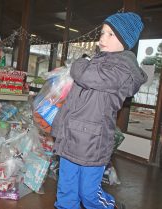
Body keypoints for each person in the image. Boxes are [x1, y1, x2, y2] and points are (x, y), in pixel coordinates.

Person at [51, 12, 147, 209]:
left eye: (110, 34)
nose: (102, 38)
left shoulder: (122, 68)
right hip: (71, 136)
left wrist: (80, 62)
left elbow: (85, 75)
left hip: (93, 142)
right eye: (102, 33)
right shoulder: (99, 61)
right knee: (66, 192)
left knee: (89, 194)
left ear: (125, 40)